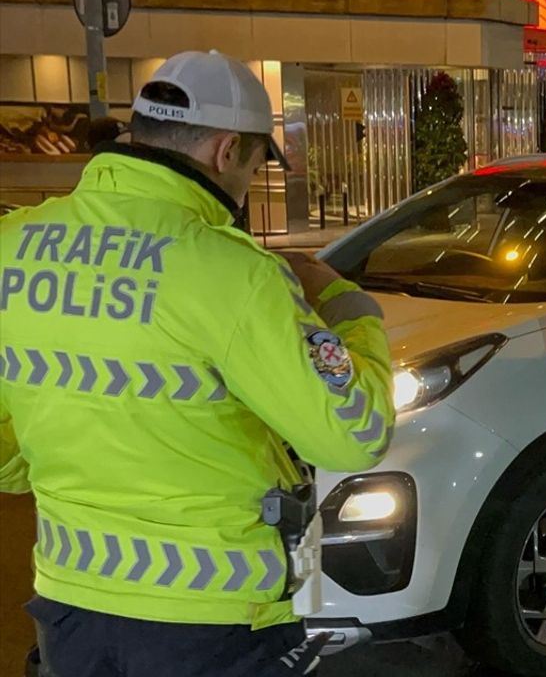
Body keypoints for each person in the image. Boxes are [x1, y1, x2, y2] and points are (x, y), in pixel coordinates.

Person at [0, 50, 395, 676]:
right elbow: (356, 433)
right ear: (227, 152)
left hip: (70, 607)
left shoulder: (13, 246)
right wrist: (352, 315)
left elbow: (5, 458)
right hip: (209, 621)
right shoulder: (232, 271)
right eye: (255, 161)